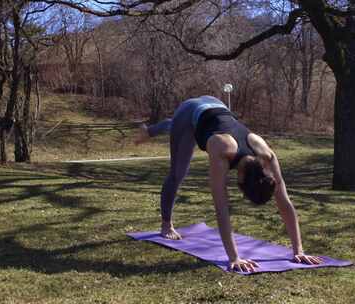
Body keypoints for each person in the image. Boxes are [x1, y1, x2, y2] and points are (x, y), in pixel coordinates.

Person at [135, 96, 323, 272]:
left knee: (179, 131)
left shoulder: (267, 155)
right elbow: (221, 207)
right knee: (178, 173)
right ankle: (166, 225)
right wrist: (234, 257)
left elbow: (284, 202)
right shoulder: (221, 150)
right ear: (239, 180)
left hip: (216, 106)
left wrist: (298, 250)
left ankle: (154, 129)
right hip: (189, 112)